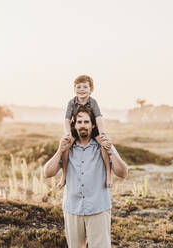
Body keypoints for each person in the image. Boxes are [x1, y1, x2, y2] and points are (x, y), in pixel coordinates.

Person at [44, 105, 128, 248]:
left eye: (86, 122)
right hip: (72, 210)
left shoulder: (103, 145)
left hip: (98, 208)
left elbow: (123, 173)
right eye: (79, 122)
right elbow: (47, 173)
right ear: (74, 125)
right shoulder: (67, 147)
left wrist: (110, 150)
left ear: (93, 124)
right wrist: (60, 150)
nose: (83, 125)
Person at [58, 75, 111, 189]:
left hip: (92, 127)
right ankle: (64, 175)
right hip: (76, 128)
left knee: (104, 144)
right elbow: (67, 120)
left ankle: (108, 174)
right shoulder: (71, 102)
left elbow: (98, 118)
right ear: (74, 89)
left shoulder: (93, 102)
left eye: (85, 87)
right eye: (78, 87)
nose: (81, 89)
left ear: (91, 90)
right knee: (66, 146)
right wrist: (68, 133)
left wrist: (102, 133)